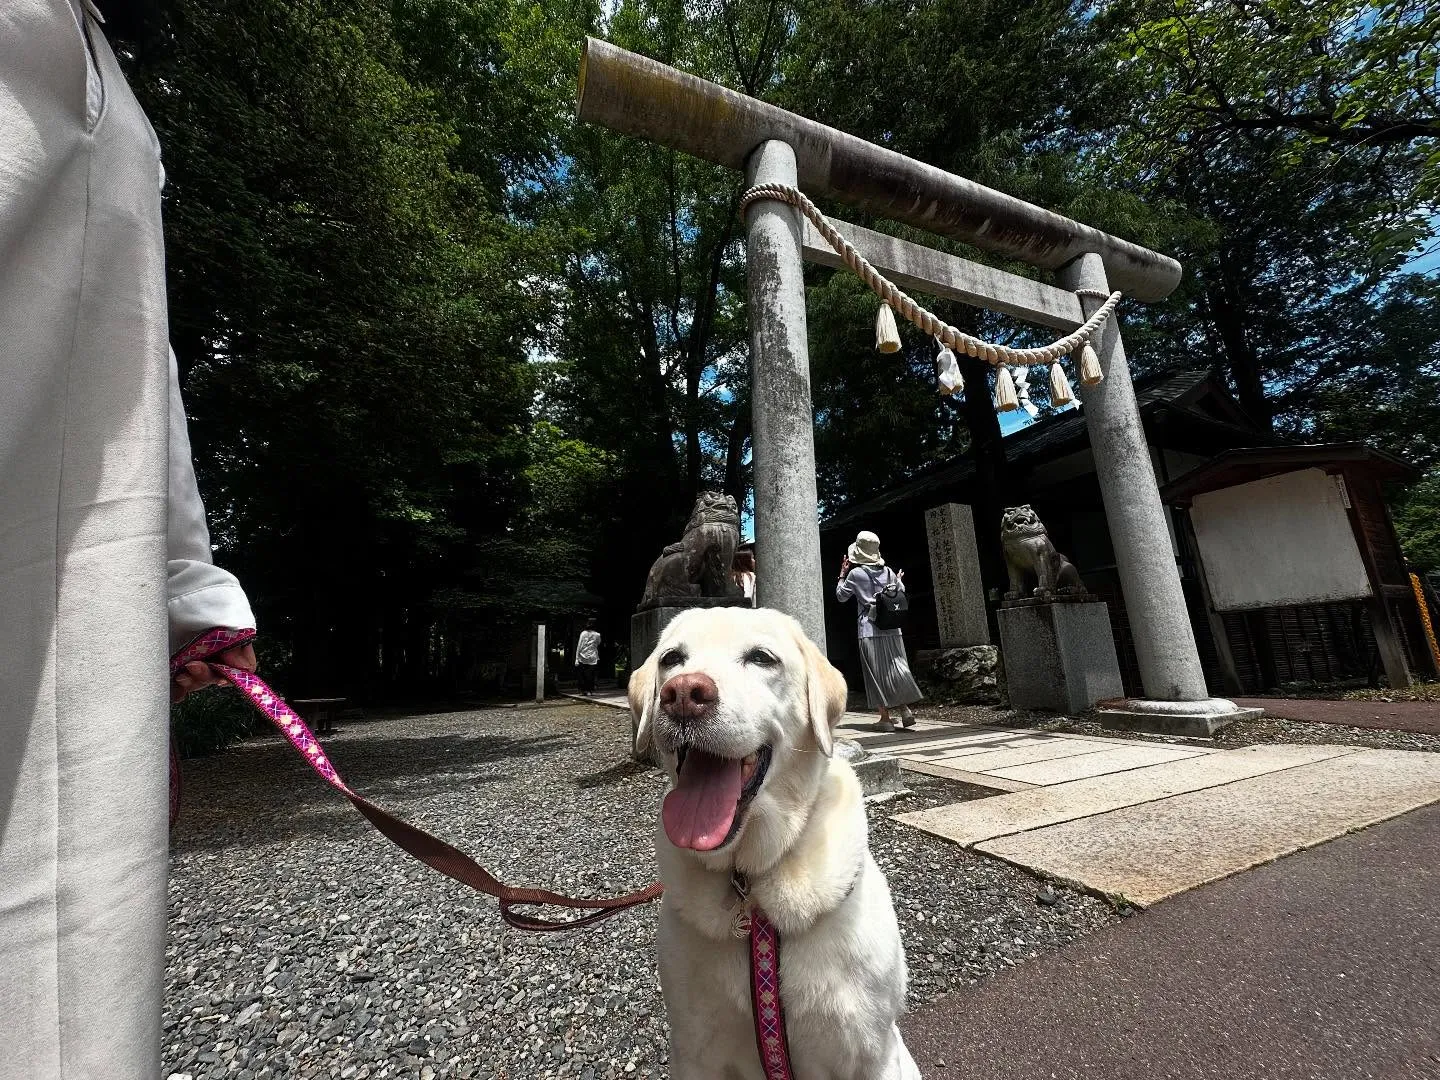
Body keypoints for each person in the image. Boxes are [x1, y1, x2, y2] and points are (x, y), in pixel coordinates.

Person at [2, 4, 257, 1075]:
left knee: (86, 951)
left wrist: (190, 590)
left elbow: (133, 367)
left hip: (76, 582)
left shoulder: (106, 72)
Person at [835, 531, 922, 732]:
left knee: (874, 672)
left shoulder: (856, 574)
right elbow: (899, 592)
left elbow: (841, 596)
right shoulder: (890, 572)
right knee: (896, 667)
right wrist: (897, 580)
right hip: (892, 627)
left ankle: (885, 718)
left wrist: (842, 574)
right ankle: (905, 709)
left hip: (869, 627)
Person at [575, 620, 602, 695]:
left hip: (582, 656)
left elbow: (579, 645)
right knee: (591, 674)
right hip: (593, 656)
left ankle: (583, 690)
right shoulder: (597, 635)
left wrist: (576, 658)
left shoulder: (583, 633)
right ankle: (590, 690)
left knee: (582, 674)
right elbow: (598, 643)